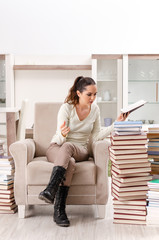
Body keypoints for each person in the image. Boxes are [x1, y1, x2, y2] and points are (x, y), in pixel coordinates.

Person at [38, 76, 128, 227]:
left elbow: (96, 136)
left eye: (95, 94)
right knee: (70, 162)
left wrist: (116, 124)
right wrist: (63, 134)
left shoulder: (95, 110)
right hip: (57, 146)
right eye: (89, 94)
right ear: (79, 93)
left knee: (69, 148)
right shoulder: (66, 107)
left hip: (80, 149)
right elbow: (60, 138)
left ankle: (50, 189)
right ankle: (59, 210)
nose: (93, 98)